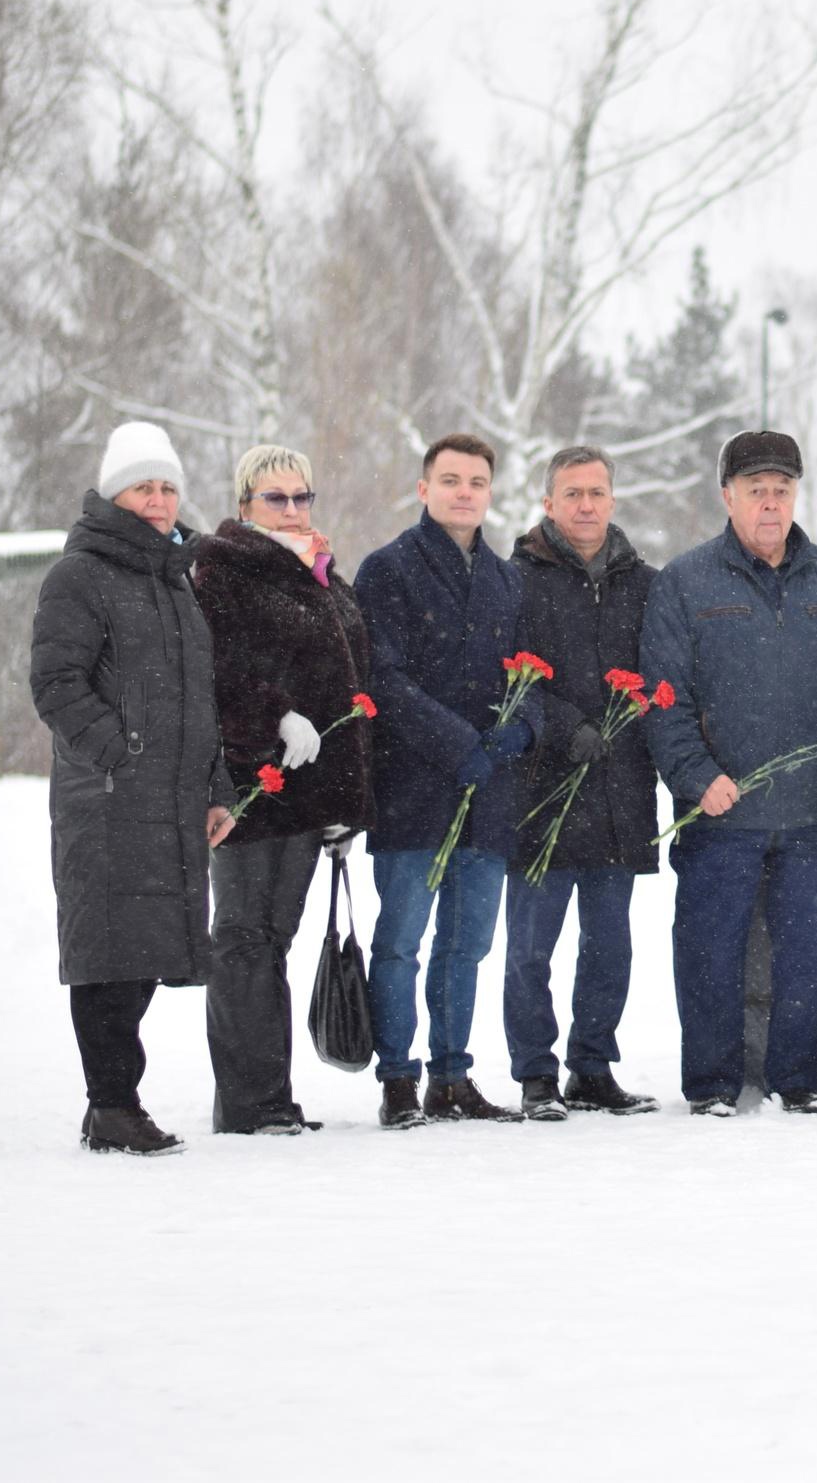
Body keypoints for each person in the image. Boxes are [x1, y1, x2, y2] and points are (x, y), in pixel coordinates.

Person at [641, 430, 817, 1115]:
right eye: (756, 490)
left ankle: (796, 1082)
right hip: (719, 809)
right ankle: (711, 1083)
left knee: (805, 957)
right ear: (727, 496)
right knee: (710, 952)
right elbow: (663, 693)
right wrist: (694, 774)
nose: (770, 504)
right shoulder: (685, 580)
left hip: (811, 811)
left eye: (782, 489)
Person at [27, 422, 233, 1154]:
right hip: (110, 800)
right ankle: (111, 1104)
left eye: (168, 485)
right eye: (144, 485)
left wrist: (217, 786)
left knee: (143, 954)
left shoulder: (177, 581)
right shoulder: (78, 575)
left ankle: (113, 1102)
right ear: (114, 492)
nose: (159, 498)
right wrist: (119, 752)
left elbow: (200, 699)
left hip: (172, 801)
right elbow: (56, 684)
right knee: (111, 955)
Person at [194, 443, 373, 1134]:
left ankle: (272, 1094)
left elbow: (350, 683)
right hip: (247, 783)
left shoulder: (321, 571)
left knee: (274, 939)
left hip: (307, 792)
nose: (293, 508)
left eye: (302, 495)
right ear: (245, 505)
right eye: (277, 497)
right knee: (243, 939)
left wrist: (343, 802)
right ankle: (249, 1101)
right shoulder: (222, 567)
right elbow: (215, 666)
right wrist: (274, 714)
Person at [354, 433, 529, 1127]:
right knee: (401, 941)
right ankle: (397, 1077)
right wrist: (458, 742)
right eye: (451, 479)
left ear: (490, 492)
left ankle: (450, 1075)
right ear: (424, 489)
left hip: (489, 793)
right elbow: (383, 680)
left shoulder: (508, 577)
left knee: (468, 943)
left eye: (477, 481)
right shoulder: (388, 570)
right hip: (413, 789)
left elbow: (533, 668)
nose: (465, 491)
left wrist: (525, 726)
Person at [502, 446, 660, 1120]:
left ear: (613, 501)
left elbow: (661, 669)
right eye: (573, 493)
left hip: (620, 787)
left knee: (609, 943)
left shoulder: (645, 582)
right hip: (543, 786)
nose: (586, 505)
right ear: (548, 502)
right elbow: (509, 672)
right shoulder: (519, 578)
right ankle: (536, 1072)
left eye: (597, 492)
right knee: (531, 945)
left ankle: (592, 1066)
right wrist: (564, 726)